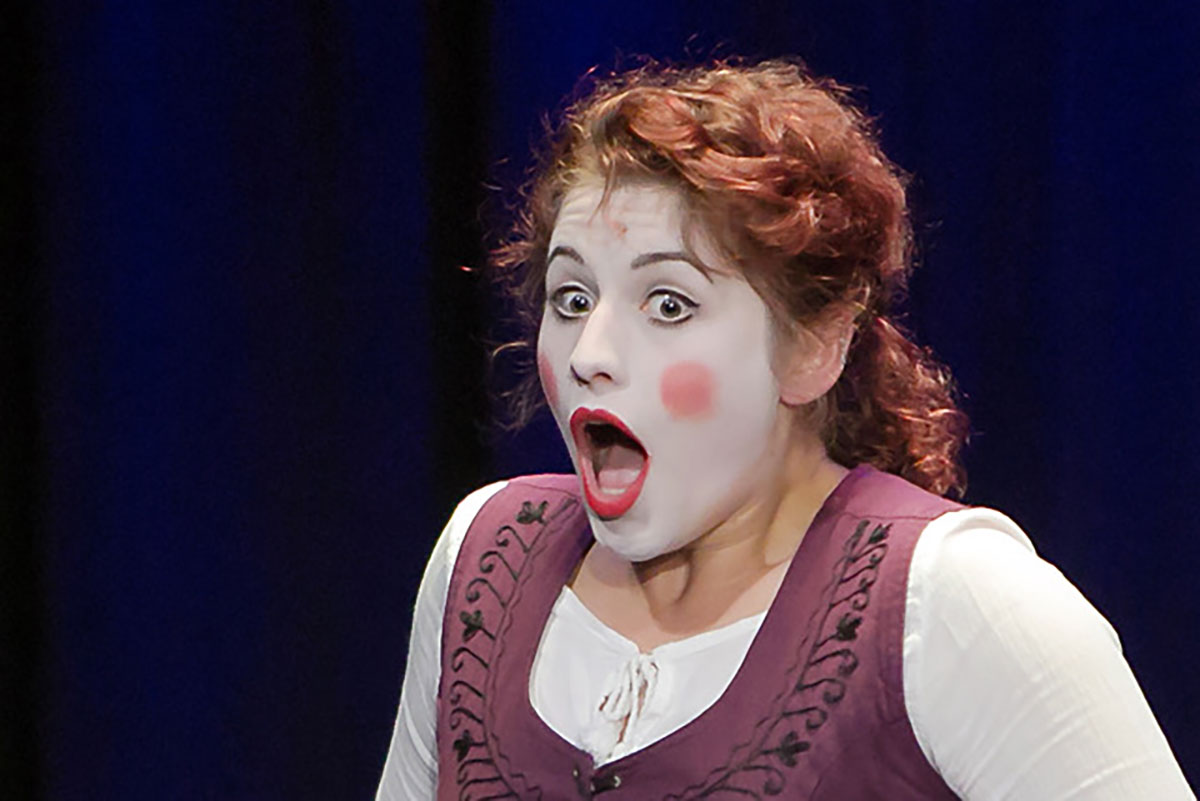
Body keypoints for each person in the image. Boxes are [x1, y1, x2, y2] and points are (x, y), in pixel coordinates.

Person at [377, 59, 1194, 799]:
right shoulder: (485, 559)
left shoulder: (953, 599)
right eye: (573, 299)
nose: (590, 354)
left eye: (669, 304)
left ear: (813, 346)